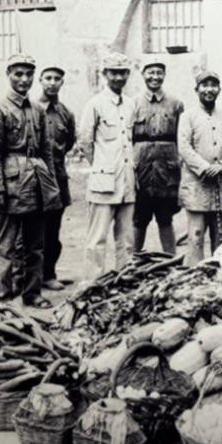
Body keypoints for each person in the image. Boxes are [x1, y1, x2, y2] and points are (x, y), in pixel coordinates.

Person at [0, 54, 61, 308]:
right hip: (11, 186)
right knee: (6, 246)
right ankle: (3, 297)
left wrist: (51, 187)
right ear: (9, 75)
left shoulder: (38, 111)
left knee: (35, 245)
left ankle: (32, 293)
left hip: (37, 184)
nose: (24, 79)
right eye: (18, 74)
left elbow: (46, 151)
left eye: (28, 74)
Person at [78, 52, 137, 280]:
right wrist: (101, 166)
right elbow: (85, 141)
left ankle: (124, 282)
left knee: (126, 240)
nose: (119, 78)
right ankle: (92, 285)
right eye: (114, 73)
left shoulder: (130, 105)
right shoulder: (95, 104)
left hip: (127, 182)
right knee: (97, 240)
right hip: (103, 183)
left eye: (123, 73)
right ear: (105, 74)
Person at [178, 70, 222, 266]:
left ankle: (219, 274)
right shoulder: (187, 117)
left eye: (214, 85)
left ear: (219, 89)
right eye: (205, 85)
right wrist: (204, 168)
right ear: (196, 89)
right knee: (196, 235)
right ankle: (194, 275)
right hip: (197, 185)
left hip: (221, 186)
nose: (209, 90)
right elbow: (184, 147)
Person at [132, 58, 184, 254]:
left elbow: (182, 137)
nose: (155, 77)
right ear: (143, 74)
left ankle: (172, 261)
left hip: (166, 170)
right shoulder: (133, 103)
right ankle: (133, 260)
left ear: (164, 75)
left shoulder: (176, 103)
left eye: (159, 73)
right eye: (151, 72)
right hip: (141, 168)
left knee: (165, 217)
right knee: (139, 217)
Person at [37, 65, 76, 291]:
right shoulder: (31, 109)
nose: (52, 83)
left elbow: (68, 143)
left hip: (58, 178)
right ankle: (27, 277)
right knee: (32, 229)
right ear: (40, 80)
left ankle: (48, 274)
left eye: (57, 79)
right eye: (48, 78)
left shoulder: (65, 113)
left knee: (53, 229)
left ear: (62, 82)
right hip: (35, 178)